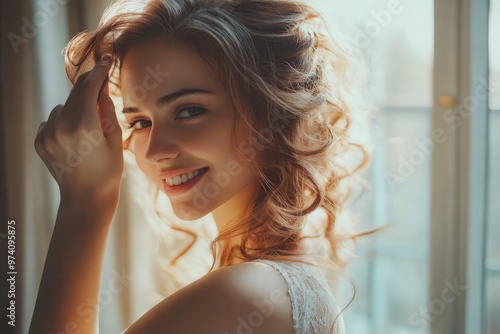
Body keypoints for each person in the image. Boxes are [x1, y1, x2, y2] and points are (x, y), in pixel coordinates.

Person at [30, 0, 371, 333]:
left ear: (271, 111)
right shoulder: (274, 283)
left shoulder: (245, 296)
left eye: (189, 111)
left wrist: (85, 202)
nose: (154, 151)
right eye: (140, 123)